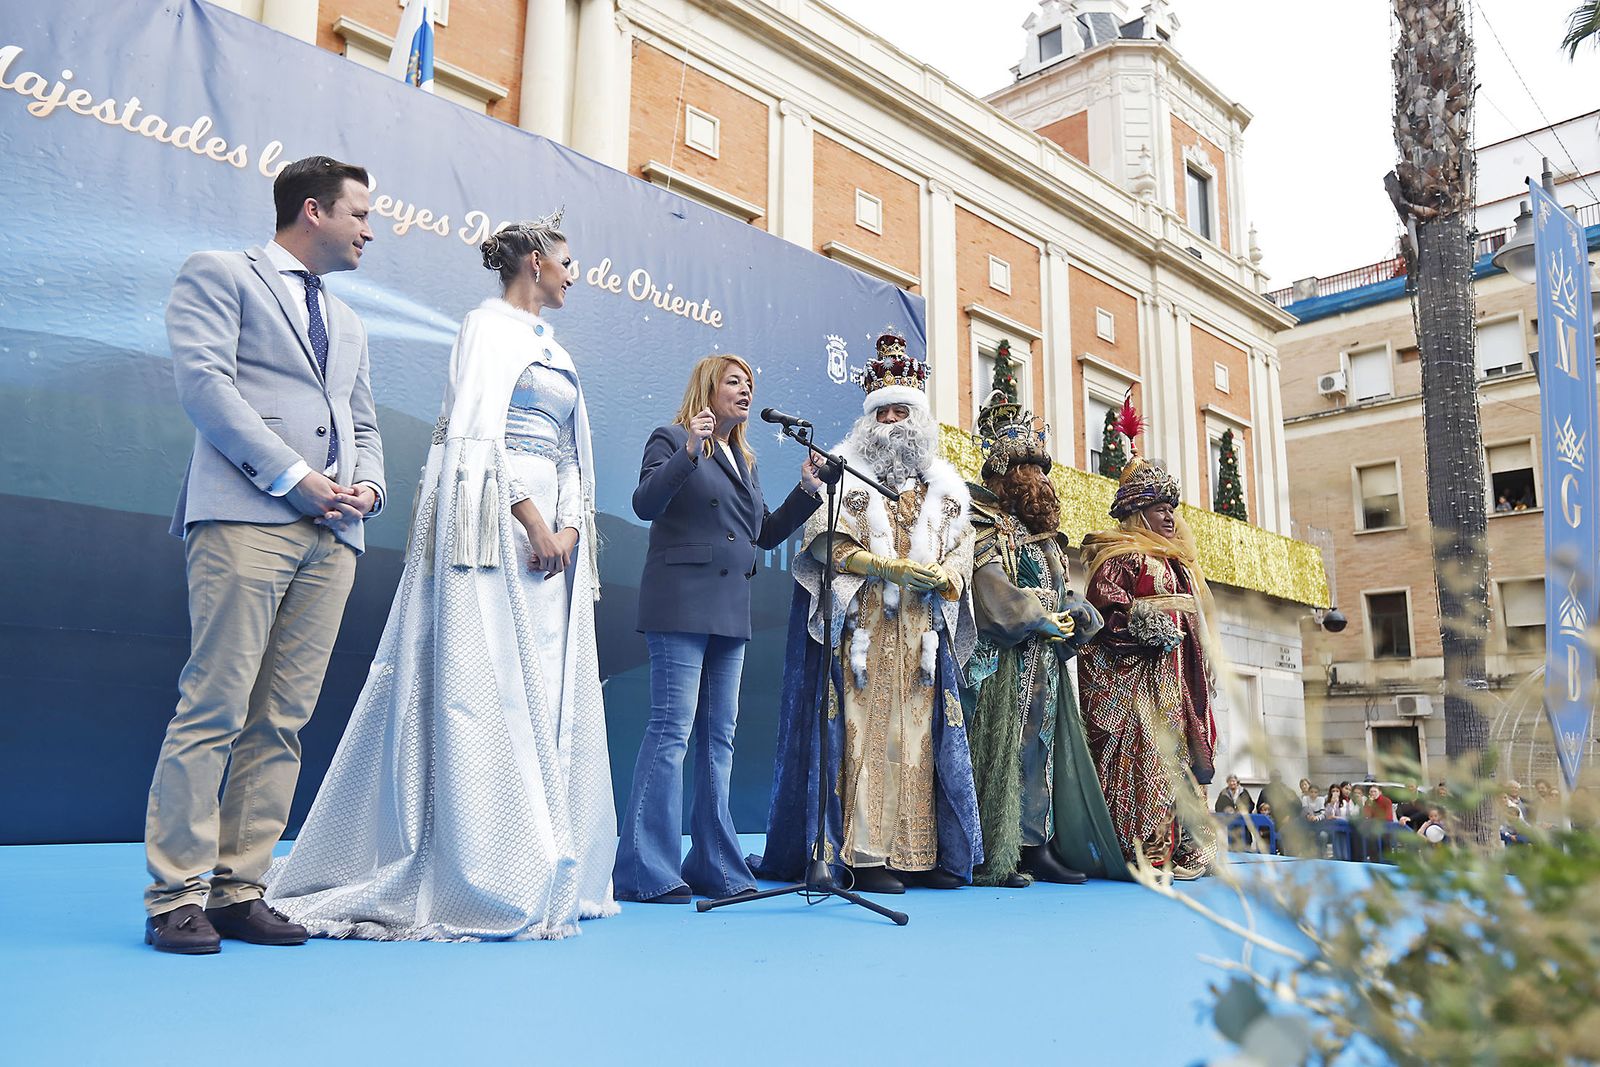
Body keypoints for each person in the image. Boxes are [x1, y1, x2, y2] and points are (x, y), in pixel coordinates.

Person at [265, 214, 616, 940]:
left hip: (555, 548)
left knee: (549, 689)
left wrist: (570, 527)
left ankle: (551, 850)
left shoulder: (559, 352)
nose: (574, 275)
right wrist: (533, 522)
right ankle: (489, 859)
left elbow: (572, 451)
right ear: (534, 260)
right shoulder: (485, 329)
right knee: (490, 684)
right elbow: (475, 438)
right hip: (495, 535)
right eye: (567, 261)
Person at [143, 156, 386, 954]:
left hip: (334, 536)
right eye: (359, 214)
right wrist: (294, 476)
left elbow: (363, 422)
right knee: (214, 704)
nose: (369, 230)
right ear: (313, 210)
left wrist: (369, 487)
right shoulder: (220, 273)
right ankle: (175, 894)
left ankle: (238, 889)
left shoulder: (348, 321)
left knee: (282, 717)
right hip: (247, 515)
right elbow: (206, 386)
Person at [753, 333, 983, 894]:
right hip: (865, 631)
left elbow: (963, 546)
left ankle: (920, 854)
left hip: (922, 634)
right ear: (869, 420)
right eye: (883, 412)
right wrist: (886, 567)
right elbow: (826, 543)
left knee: (920, 741)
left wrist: (949, 574)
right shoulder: (847, 478)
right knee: (866, 737)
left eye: (902, 411)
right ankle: (866, 855)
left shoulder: (946, 489)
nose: (893, 422)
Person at [612, 355, 824, 904]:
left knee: (719, 737)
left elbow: (763, 534)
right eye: (734, 382)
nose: (746, 391)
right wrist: (688, 451)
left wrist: (806, 492)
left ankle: (715, 865)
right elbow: (645, 503)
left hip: (730, 609)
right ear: (708, 389)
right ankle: (645, 870)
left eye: (750, 383)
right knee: (672, 730)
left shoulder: (744, 459)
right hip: (681, 603)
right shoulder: (671, 438)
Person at [958, 390, 1118, 887]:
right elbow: (989, 589)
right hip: (1003, 664)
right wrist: (1037, 617)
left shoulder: (1046, 538)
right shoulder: (984, 524)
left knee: (1039, 752)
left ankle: (1035, 844)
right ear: (1006, 475)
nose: (1042, 481)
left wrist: (1076, 614)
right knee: (1001, 750)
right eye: (1030, 469)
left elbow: (1060, 588)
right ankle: (993, 847)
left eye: (1042, 470)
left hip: (1045, 664)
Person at [1077, 398, 1220, 878]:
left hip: (1179, 678)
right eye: (1159, 510)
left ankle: (1189, 845)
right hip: (1140, 683)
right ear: (1138, 515)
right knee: (1148, 757)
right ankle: (1147, 848)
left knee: (1181, 753)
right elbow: (1104, 611)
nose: (1169, 519)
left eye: (1171, 510)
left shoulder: (1179, 563)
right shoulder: (1119, 556)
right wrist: (1141, 624)